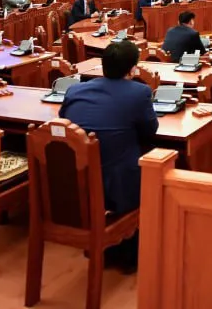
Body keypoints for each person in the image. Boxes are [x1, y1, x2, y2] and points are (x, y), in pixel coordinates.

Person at [60, 40, 159, 272]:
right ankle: (131, 251)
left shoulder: (74, 90)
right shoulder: (139, 93)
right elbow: (150, 130)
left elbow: (64, 121)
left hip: (77, 182)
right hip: (117, 185)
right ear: (132, 70)